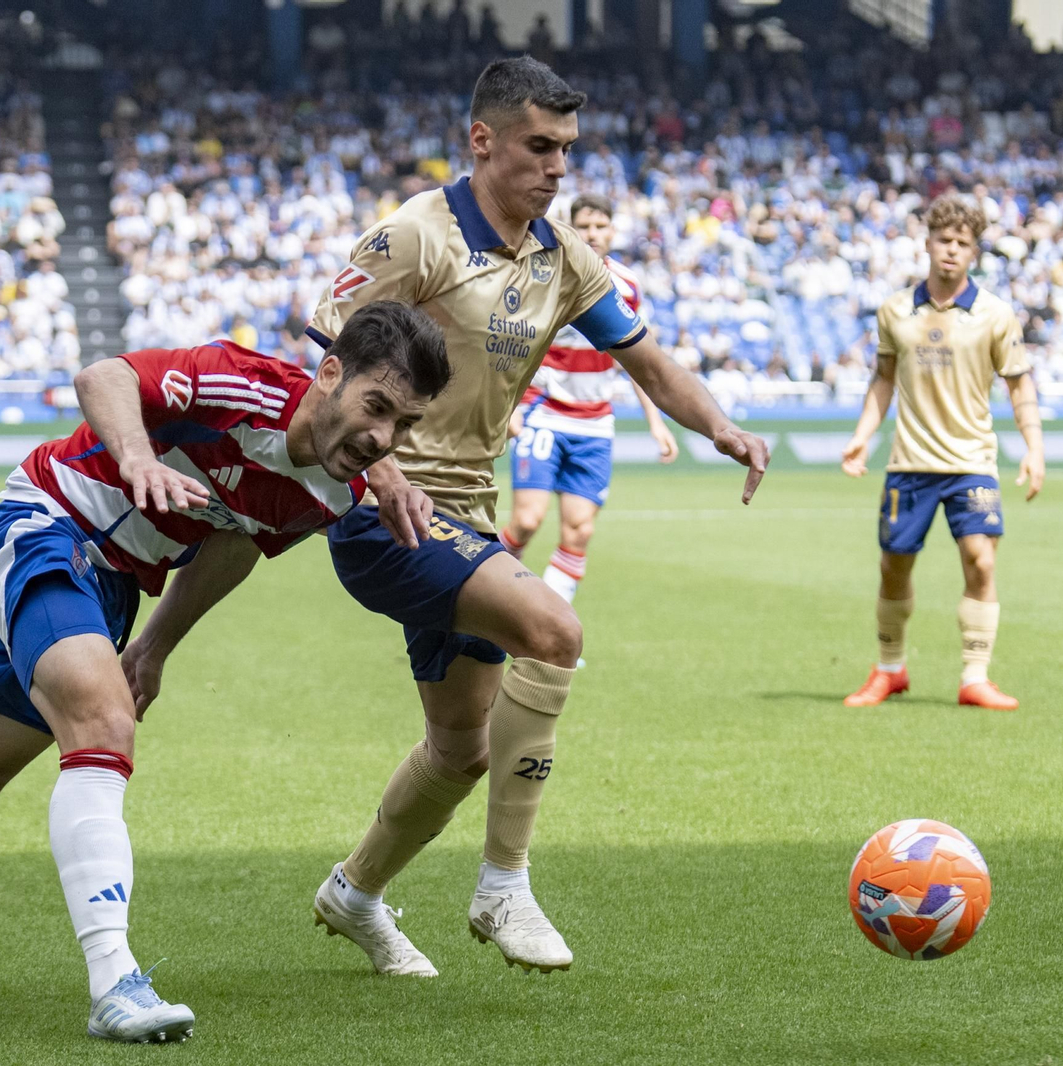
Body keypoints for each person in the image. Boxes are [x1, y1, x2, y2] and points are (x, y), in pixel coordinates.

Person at [0, 301, 451, 1042]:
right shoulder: (243, 385)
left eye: (404, 425)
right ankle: (114, 981)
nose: (382, 438)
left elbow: (237, 543)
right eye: (376, 406)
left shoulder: (333, 489)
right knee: (102, 722)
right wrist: (135, 457)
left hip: (112, 585)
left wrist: (155, 645)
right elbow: (104, 377)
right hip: (45, 523)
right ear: (330, 375)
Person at [300, 57, 770, 977]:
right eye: (539, 147)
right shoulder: (417, 236)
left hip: (466, 512)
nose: (558, 168)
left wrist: (721, 426)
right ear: (483, 140)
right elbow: (319, 355)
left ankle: (353, 893)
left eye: (568, 151)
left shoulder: (560, 257)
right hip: (378, 508)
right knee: (555, 629)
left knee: (463, 746)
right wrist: (381, 465)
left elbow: (647, 360)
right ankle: (503, 885)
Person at [840, 195, 1044, 711]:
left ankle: (975, 676)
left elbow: (1020, 387)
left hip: (972, 463)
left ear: (974, 252)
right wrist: (864, 434)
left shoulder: (996, 314)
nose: (951, 250)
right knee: (894, 566)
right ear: (927, 243)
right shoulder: (895, 311)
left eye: (962, 243)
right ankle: (890, 669)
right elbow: (882, 381)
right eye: (943, 240)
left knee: (980, 561)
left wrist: (1034, 450)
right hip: (909, 463)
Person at [499, 193, 680, 610]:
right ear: (571, 228)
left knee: (578, 531)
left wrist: (656, 421)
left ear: (613, 231)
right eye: (585, 226)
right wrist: (509, 407)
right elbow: (515, 343)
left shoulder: (628, 284)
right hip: (542, 411)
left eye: (601, 227)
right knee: (526, 521)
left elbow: (639, 357)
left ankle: (543, 625)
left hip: (595, 422)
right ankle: (492, 606)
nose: (593, 234)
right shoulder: (545, 274)